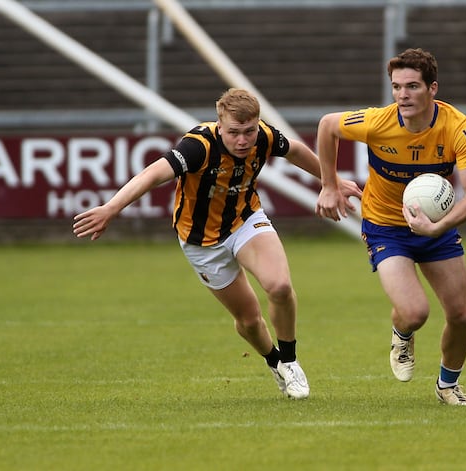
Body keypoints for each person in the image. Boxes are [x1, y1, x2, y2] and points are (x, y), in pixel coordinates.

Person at [73, 88, 362, 400]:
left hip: (245, 221)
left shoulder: (263, 136)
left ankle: (290, 360)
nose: (242, 140)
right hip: (201, 242)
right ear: (220, 126)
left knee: (278, 286)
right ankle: (274, 361)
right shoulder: (199, 146)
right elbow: (153, 174)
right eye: (234, 133)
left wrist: (329, 180)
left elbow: (295, 151)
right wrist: (111, 208)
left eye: (249, 132)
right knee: (249, 320)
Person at [314, 48, 466, 406]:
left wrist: (438, 228)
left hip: (436, 227)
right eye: (396, 87)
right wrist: (329, 184)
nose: (403, 95)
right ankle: (402, 332)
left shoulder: (457, 127)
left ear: (432, 89)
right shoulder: (378, 122)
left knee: (461, 315)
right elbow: (328, 125)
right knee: (414, 312)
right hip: (385, 227)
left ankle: (447, 387)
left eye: (412, 86)